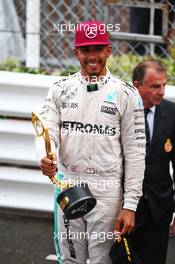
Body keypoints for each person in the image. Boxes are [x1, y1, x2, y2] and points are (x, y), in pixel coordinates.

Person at [35, 21, 146, 264]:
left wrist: (130, 206)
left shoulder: (126, 94)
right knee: (70, 260)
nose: (92, 56)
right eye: (86, 50)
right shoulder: (59, 89)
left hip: (107, 191)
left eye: (98, 49)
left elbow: (136, 153)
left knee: (102, 262)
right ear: (77, 53)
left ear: (108, 50)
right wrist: (46, 157)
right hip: (67, 185)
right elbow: (47, 132)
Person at [131, 59, 175, 264]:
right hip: (125, 208)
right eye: (155, 86)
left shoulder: (172, 112)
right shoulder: (120, 111)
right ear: (137, 85)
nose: (162, 91)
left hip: (159, 207)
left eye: (164, 85)